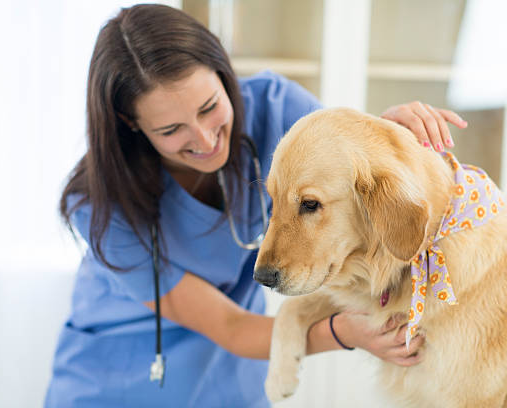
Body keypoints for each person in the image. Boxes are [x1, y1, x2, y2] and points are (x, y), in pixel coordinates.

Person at [44, 4, 468, 407]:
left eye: (210, 107)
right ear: (130, 122)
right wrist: (346, 332)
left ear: (223, 73)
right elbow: (230, 326)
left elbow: (347, 163)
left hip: (230, 389)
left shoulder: (276, 108)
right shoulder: (100, 205)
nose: (206, 139)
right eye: (172, 129)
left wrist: (386, 134)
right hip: (114, 387)